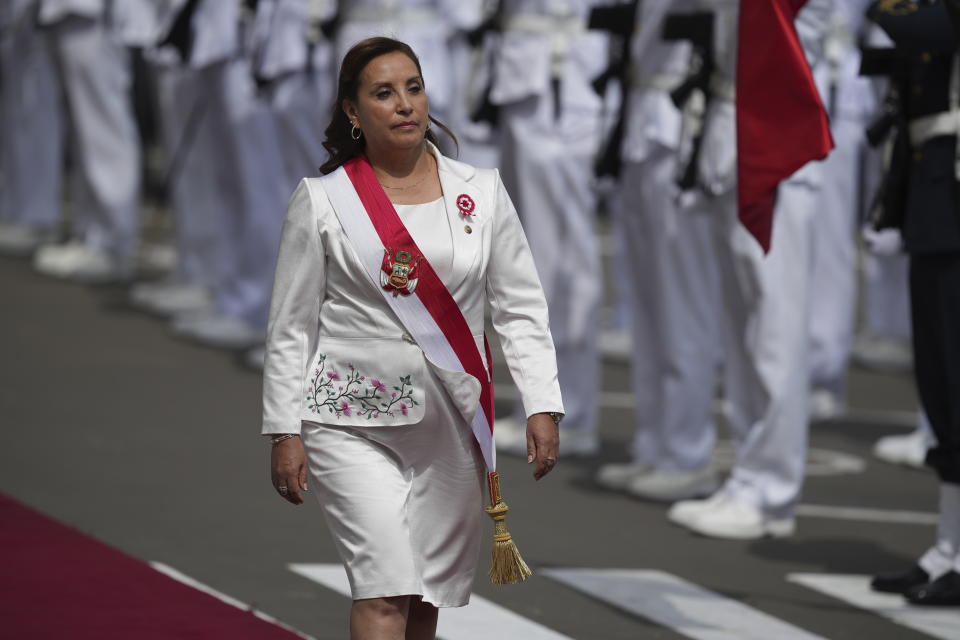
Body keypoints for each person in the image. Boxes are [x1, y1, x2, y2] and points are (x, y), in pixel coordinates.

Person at [261, 37, 564, 638]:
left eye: (413, 88)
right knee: (384, 593)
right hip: (349, 419)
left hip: (451, 422)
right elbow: (290, 325)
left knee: (426, 600)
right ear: (353, 111)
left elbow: (520, 308)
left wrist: (543, 402)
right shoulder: (324, 201)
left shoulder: (481, 191)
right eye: (383, 93)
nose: (404, 105)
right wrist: (283, 429)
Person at [866, 0, 960, 607]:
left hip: (951, 198)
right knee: (942, 390)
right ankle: (948, 547)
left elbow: (911, 22)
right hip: (934, 198)